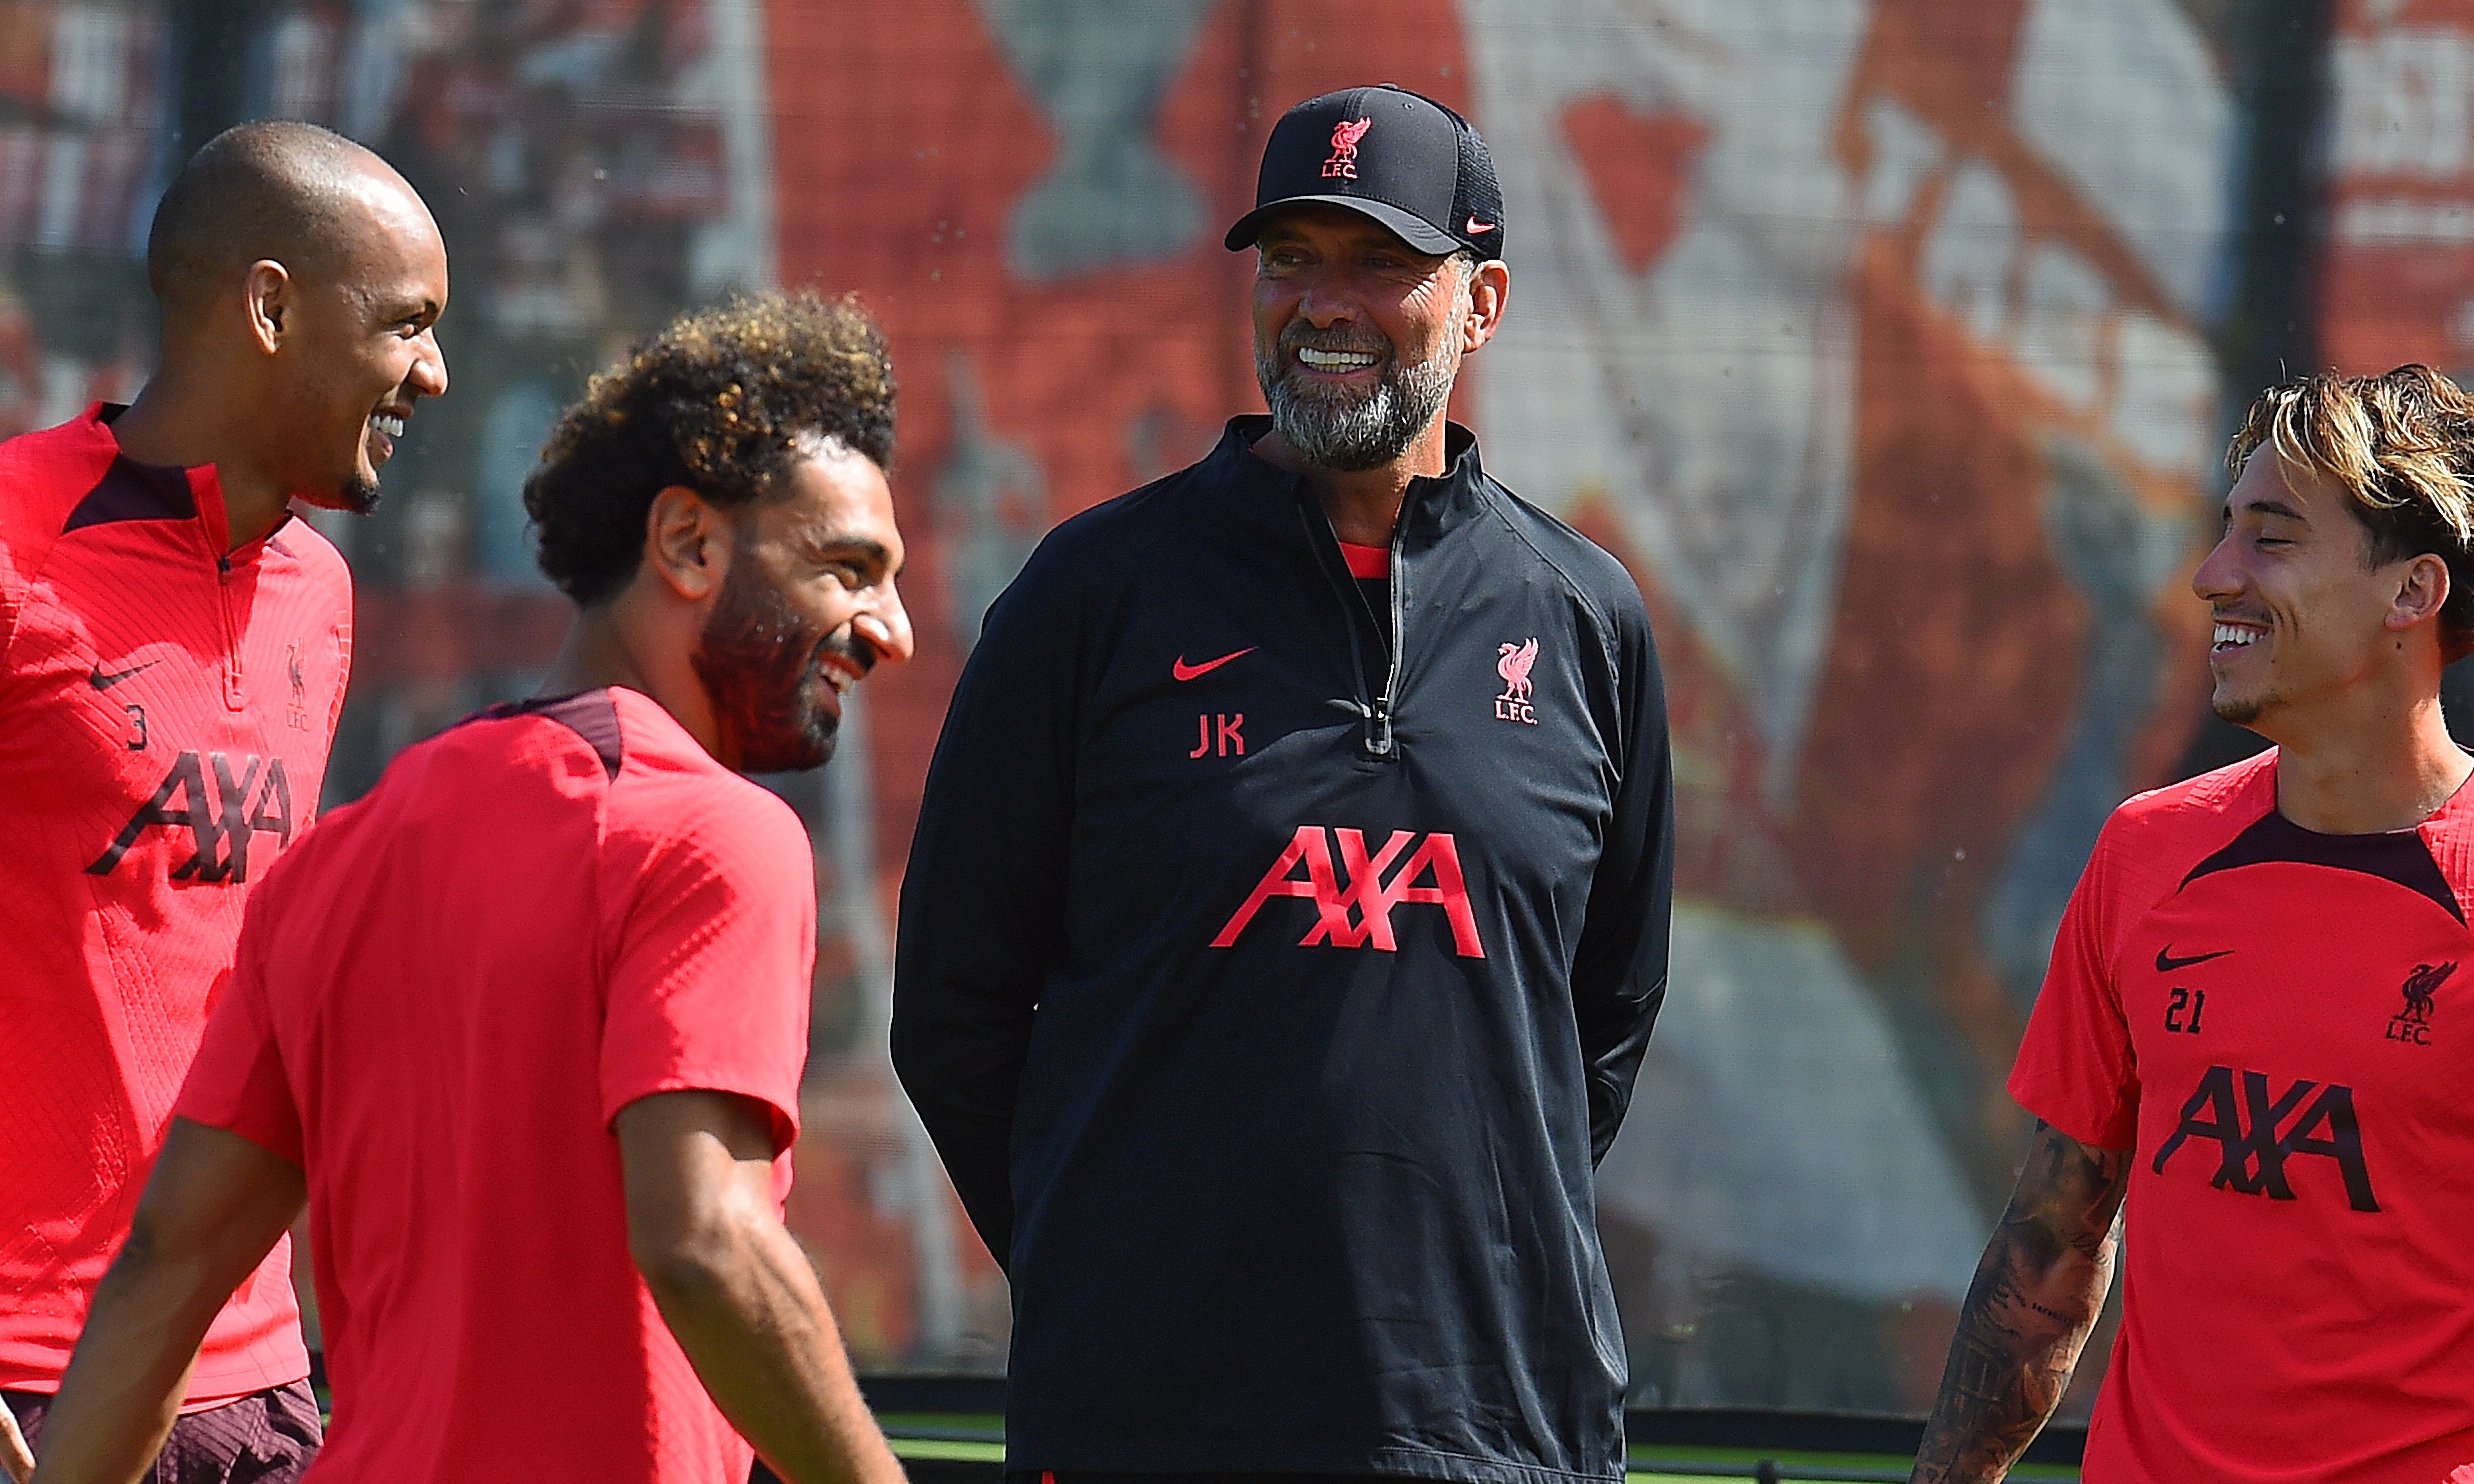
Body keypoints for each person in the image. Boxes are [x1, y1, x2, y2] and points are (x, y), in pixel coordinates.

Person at [894, 83, 1674, 1484]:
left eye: (1380, 262)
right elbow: (952, 1009)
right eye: (1291, 260)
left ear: (1482, 303)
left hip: (1499, 1433)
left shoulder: (1585, 618)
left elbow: (1599, 1023)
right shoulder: (1093, 594)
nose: (1324, 304)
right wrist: (1110, 1264)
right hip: (1148, 1429)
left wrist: (1459, 1248)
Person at [25, 293, 914, 1484]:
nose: (893, 627)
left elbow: (169, 1262)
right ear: (690, 545)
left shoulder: (337, 859)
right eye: (848, 566)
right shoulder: (716, 838)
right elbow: (709, 1244)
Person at [1912, 365, 2474, 1483]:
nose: (2212, 577)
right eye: (2223, 533)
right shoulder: (2142, 853)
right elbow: (2050, 1245)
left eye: (2271, 538)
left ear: (2411, 592)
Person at [0, 119, 450, 1484]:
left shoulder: (324, 592)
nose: (431, 372)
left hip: (252, 1379)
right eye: (405, 325)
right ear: (270, 307)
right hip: (28, 1388)